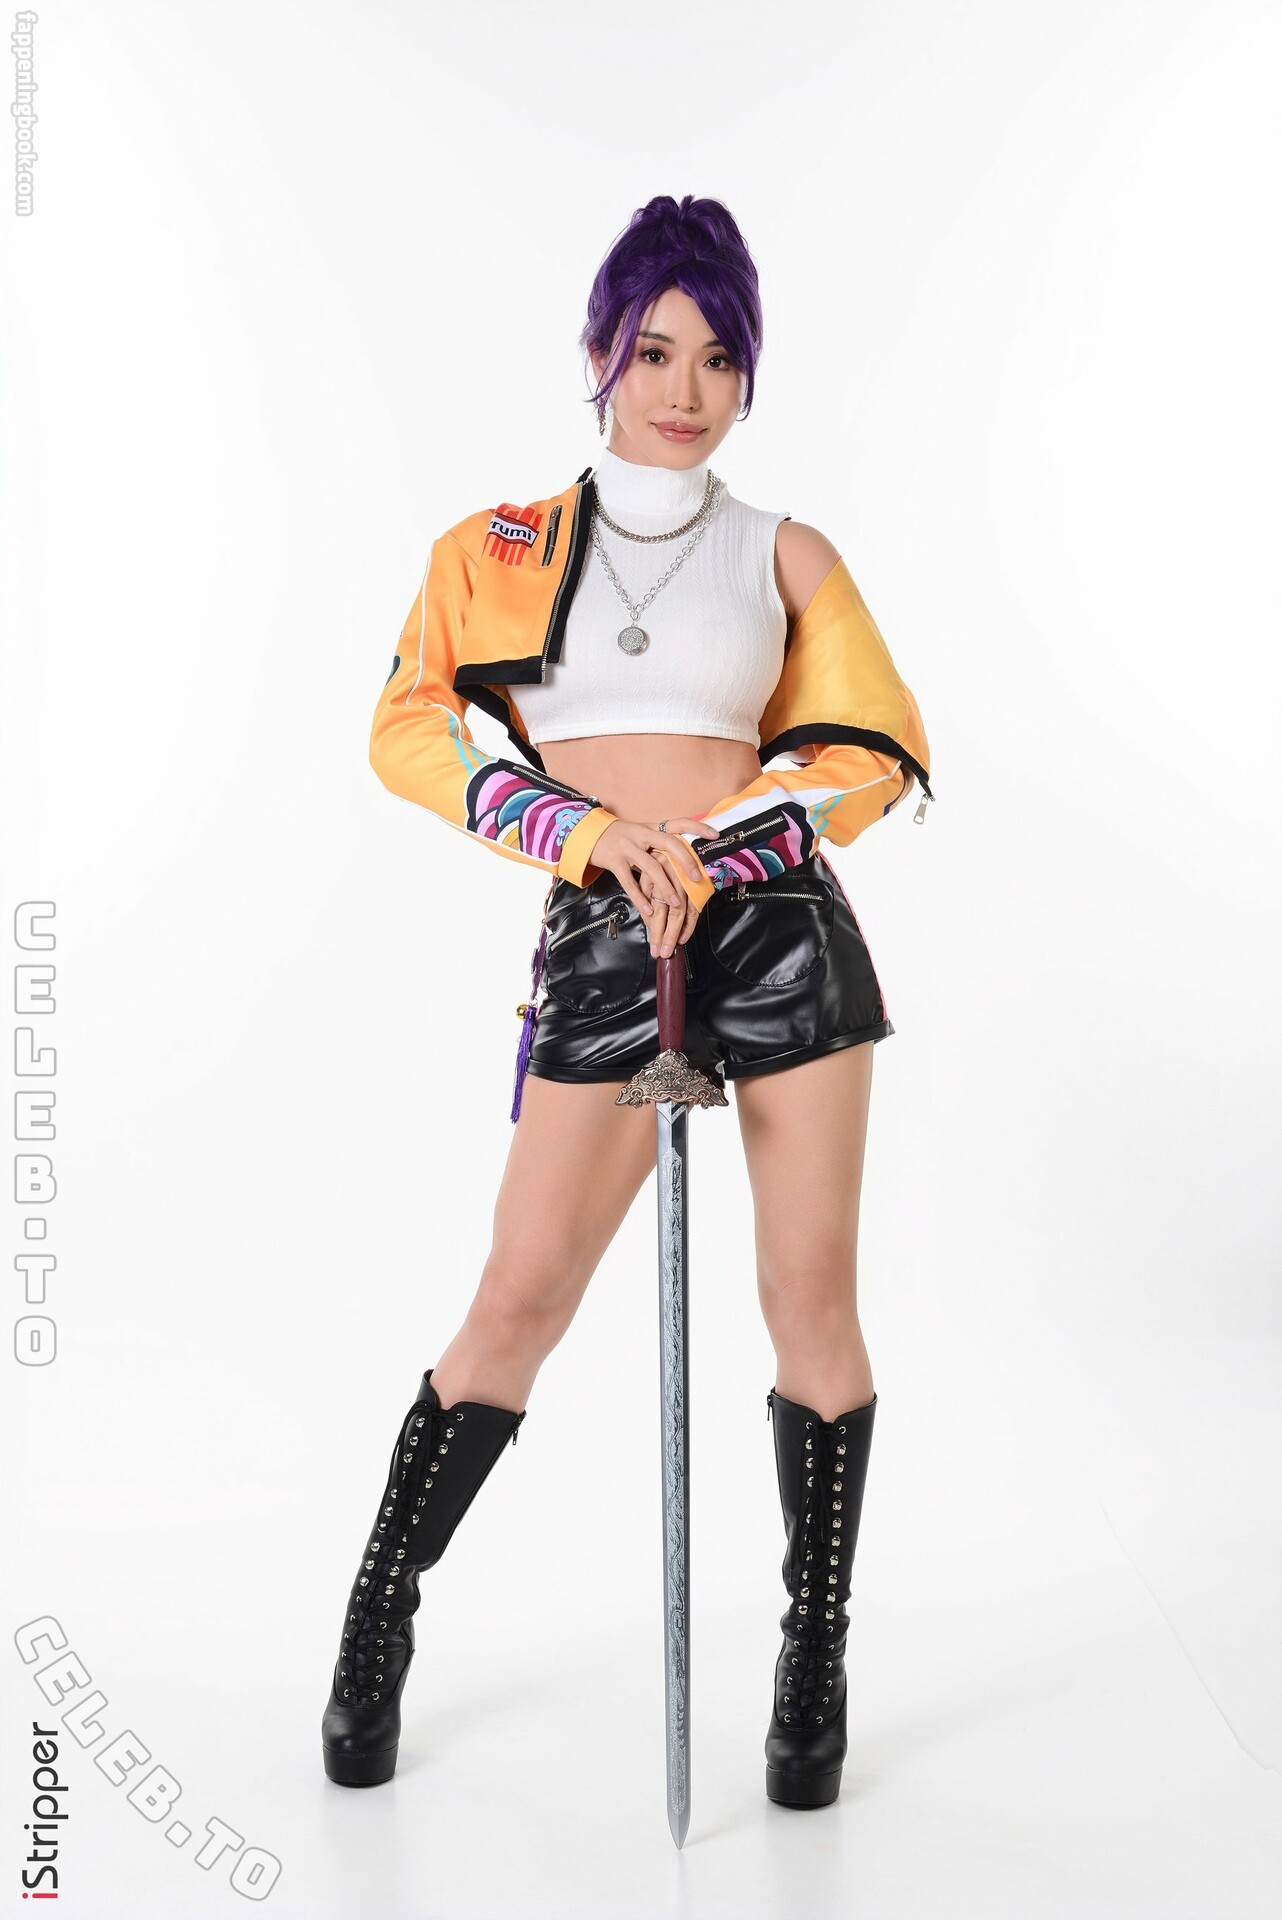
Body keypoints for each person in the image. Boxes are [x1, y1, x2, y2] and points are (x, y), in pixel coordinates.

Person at [321, 193, 933, 1812]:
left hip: (775, 927)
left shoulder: (785, 550)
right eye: (655, 349)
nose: (684, 387)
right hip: (603, 931)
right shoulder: (496, 551)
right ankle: (381, 1607)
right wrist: (586, 834)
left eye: (719, 358)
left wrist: (726, 843)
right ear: (600, 349)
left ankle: (813, 1646)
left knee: (810, 1296)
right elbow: (408, 728)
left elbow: (872, 749)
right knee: (518, 1295)